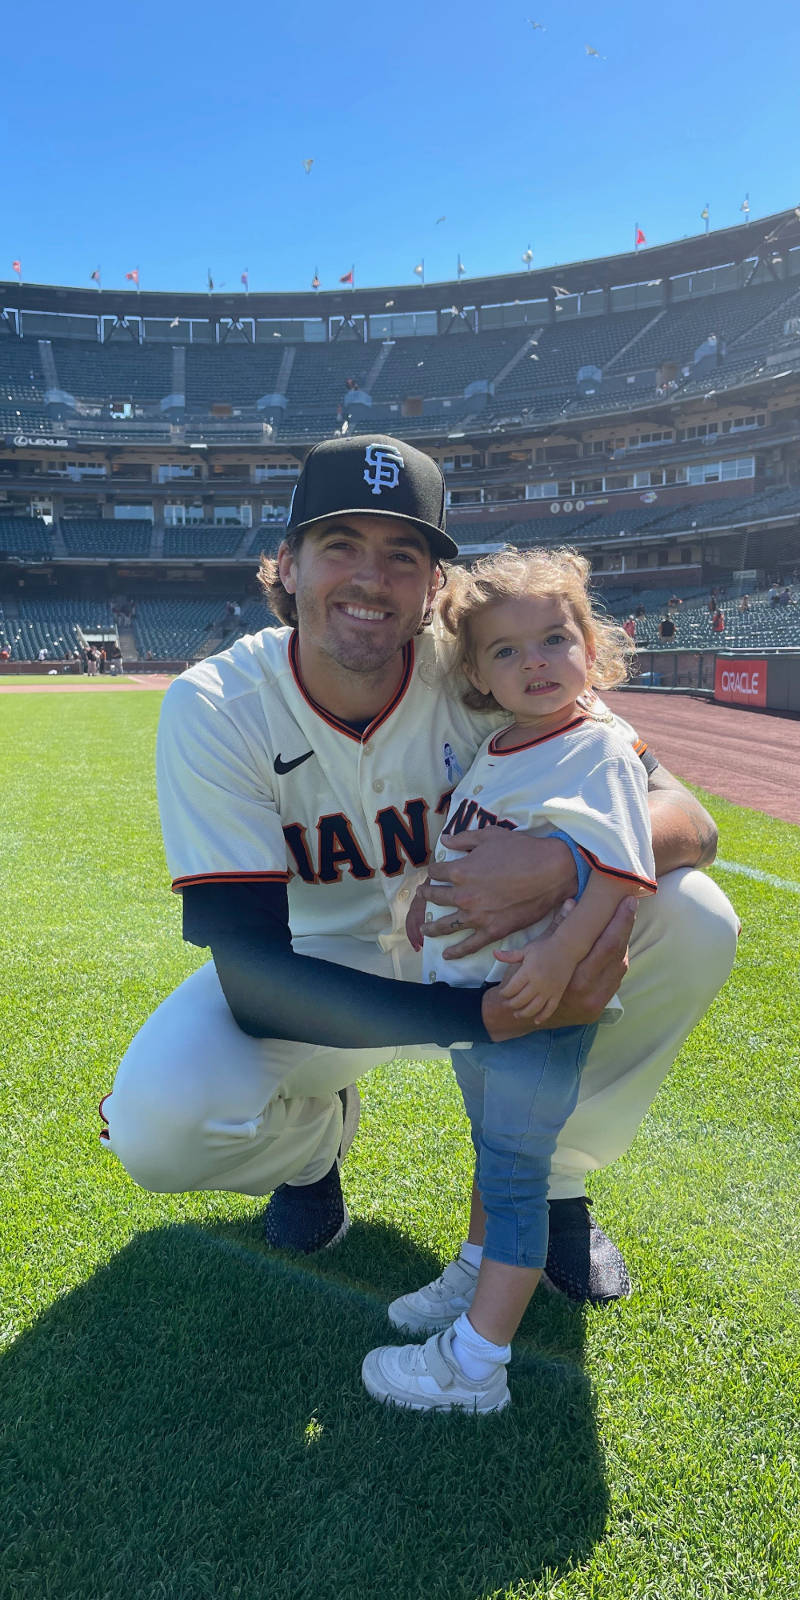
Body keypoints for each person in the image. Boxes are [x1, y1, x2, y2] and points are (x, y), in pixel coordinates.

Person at [101, 434, 738, 1315]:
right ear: (285, 565)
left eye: (403, 556)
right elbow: (252, 981)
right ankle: (314, 1148)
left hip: (490, 949)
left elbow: (687, 821)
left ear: (436, 586)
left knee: (696, 914)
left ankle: (552, 1178)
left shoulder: (486, 666)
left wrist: (561, 864)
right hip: (316, 975)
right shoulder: (218, 704)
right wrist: (482, 1022)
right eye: (340, 548)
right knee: (157, 1129)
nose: (371, 580)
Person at [361, 550, 656, 1412]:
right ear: (479, 676)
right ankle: (471, 1274)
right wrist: (426, 899)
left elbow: (620, 868)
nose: (533, 662)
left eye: (554, 640)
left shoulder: (593, 746)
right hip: (481, 1003)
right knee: (493, 1158)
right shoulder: (508, 744)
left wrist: (562, 960)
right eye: (504, 651)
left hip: (537, 1007)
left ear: (591, 650)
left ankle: (477, 1366)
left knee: (518, 1179)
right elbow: (471, 834)